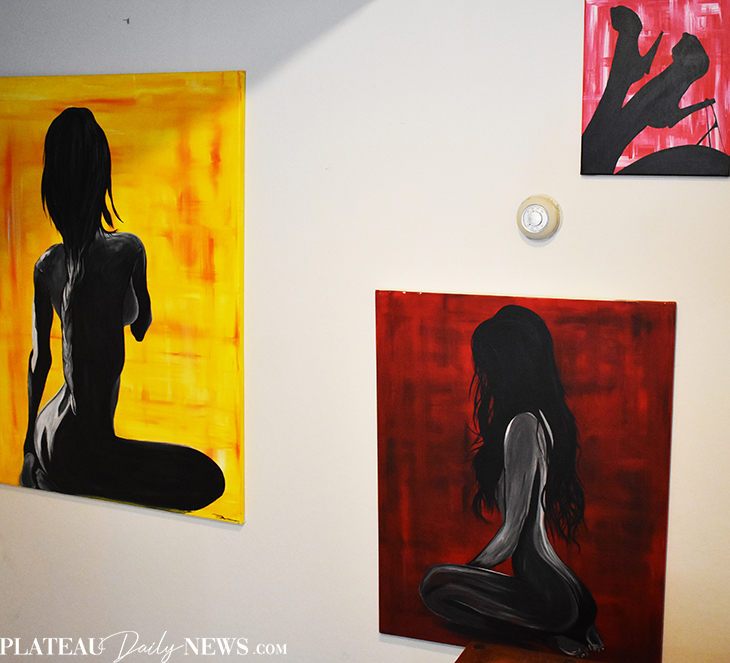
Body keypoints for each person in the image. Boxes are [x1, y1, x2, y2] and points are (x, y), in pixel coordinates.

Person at [20, 107, 225, 512]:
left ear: (53, 186)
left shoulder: (47, 265)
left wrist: (29, 445)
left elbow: (40, 360)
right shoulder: (127, 251)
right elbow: (141, 325)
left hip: (48, 428)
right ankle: (62, 475)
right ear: (101, 177)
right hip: (85, 449)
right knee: (207, 479)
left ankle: (45, 471)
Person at [419, 306, 603, 657]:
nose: (484, 374)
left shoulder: (522, 426)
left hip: (549, 595)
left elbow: (512, 532)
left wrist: (467, 574)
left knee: (434, 584)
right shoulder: (542, 420)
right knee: (447, 583)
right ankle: (567, 627)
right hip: (568, 591)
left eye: (489, 364)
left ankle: (551, 631)